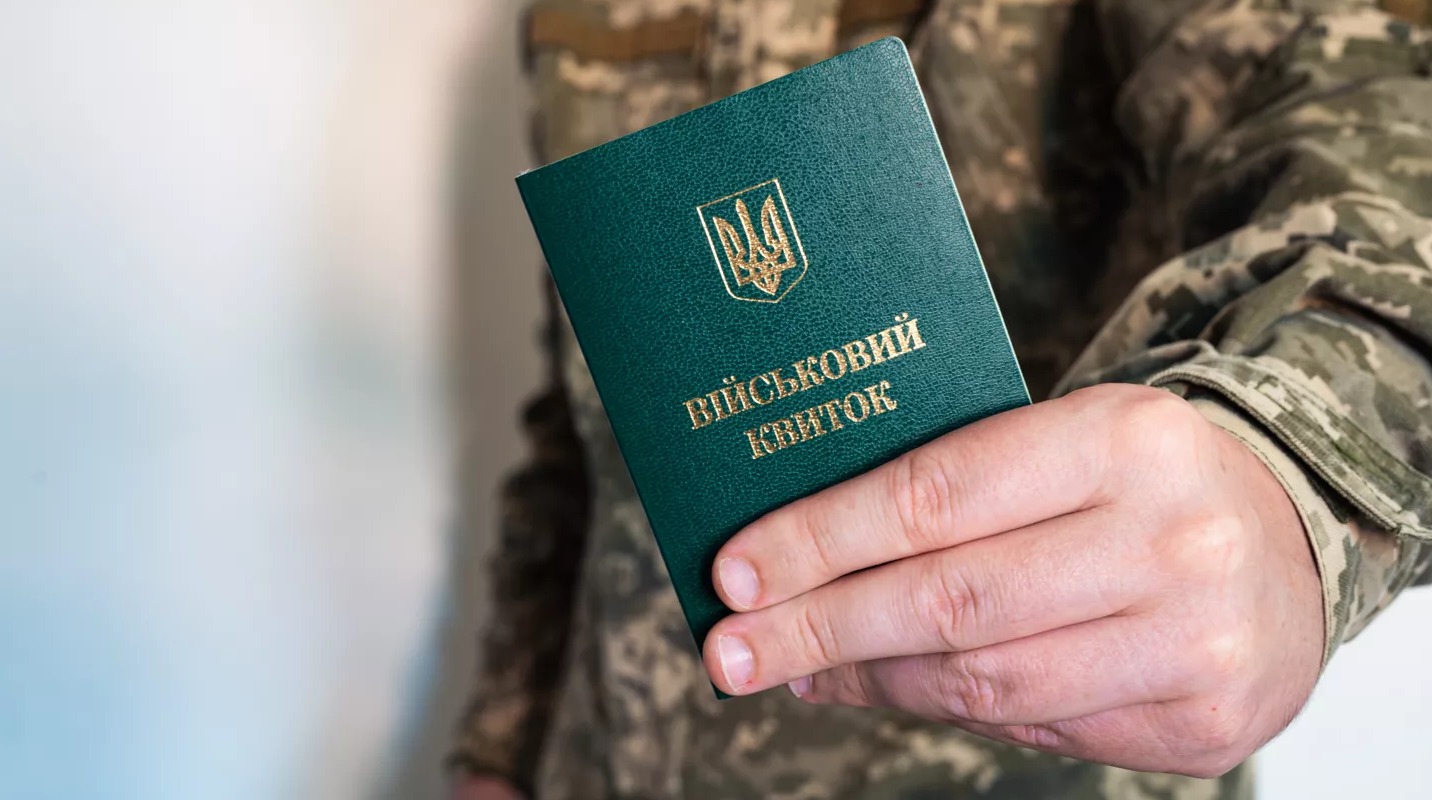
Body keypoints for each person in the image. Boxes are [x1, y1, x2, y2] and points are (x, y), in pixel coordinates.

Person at [450, 1, 1432, 798]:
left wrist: (1284, 469)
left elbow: (1376, 182)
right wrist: (505, 744)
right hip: (605, 762)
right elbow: (587, 417)